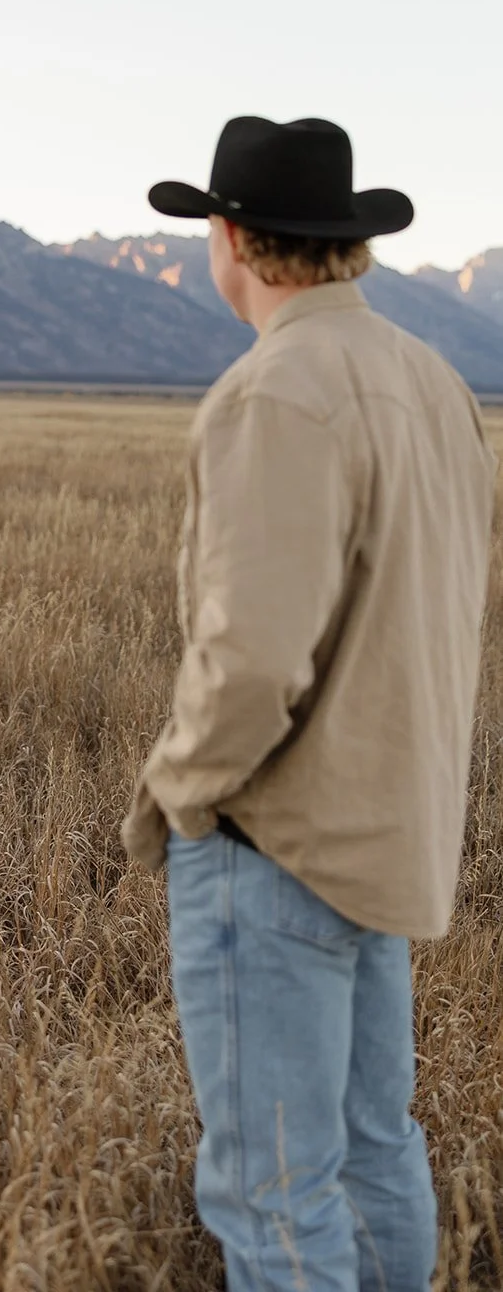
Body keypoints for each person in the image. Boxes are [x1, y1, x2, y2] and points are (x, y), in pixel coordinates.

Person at [121, 117, 495, 1291]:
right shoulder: (431, 381)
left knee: (270, 1191)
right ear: (343, 245)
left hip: (272, 843)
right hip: (386, 839)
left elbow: (250, 661)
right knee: (376, 1152)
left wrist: (172, 797)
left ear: (229, 237)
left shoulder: (273, 389)